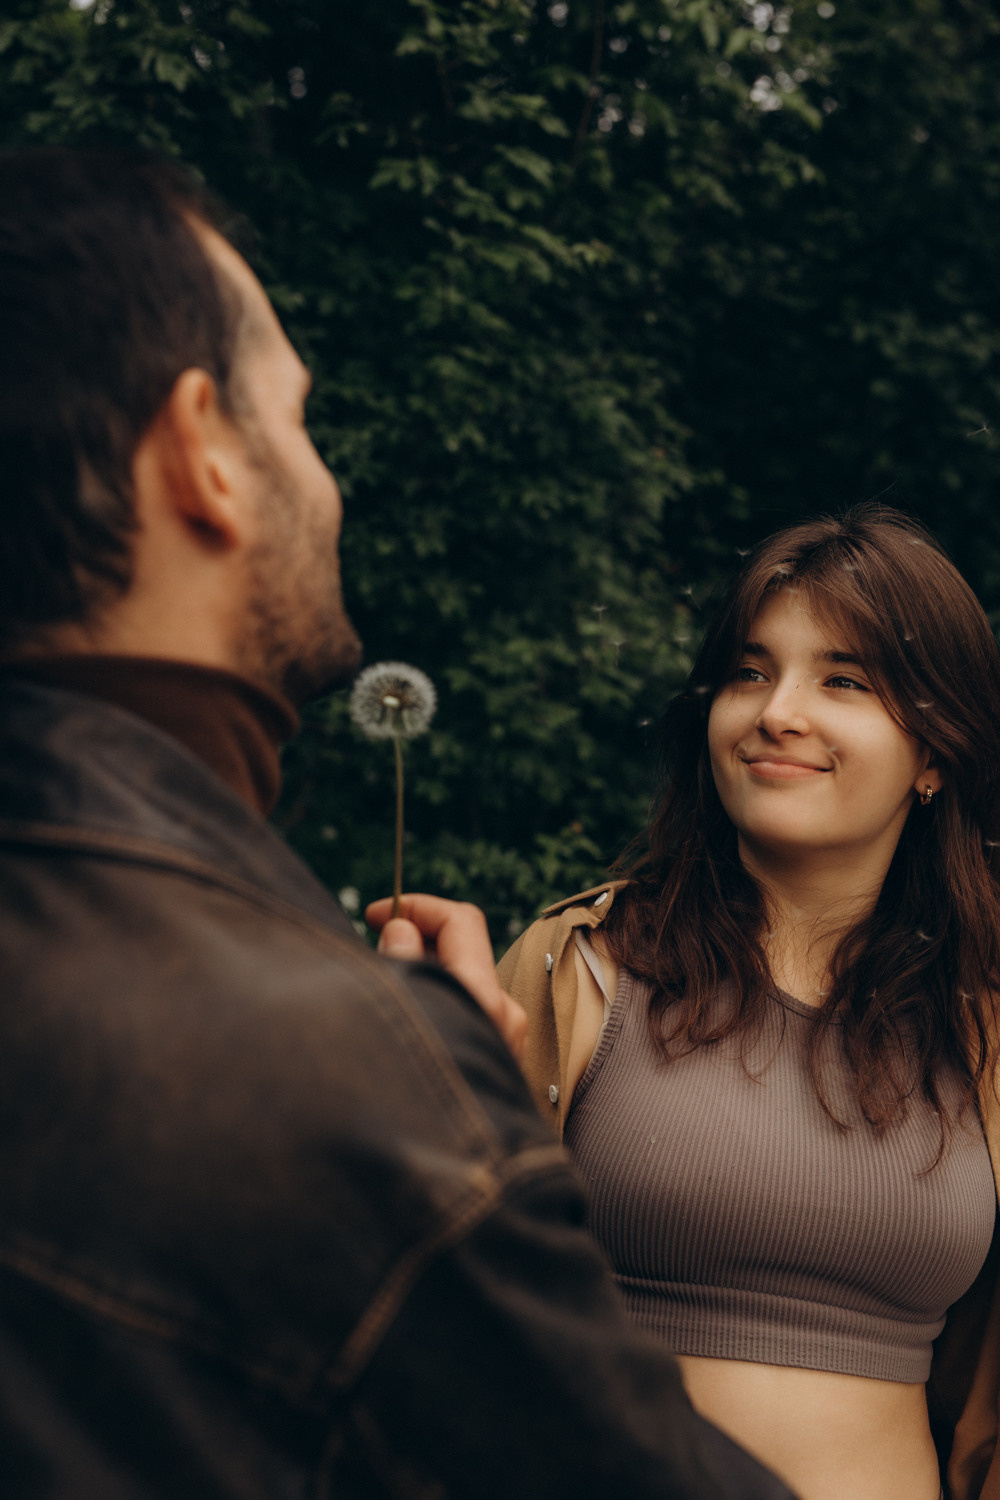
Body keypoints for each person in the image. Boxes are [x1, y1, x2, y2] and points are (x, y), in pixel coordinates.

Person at [0, 146, 794, 1500]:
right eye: (295, 421)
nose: (329, 481)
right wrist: (455, 1129)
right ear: (204, 452)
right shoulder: (349, 1086)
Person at [498, 508, 1000, 1500]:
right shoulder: (578, 972)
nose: (777, 712)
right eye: (749, 671)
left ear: (935, 753)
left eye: (843, 681)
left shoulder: (982, 1032)